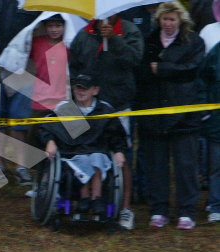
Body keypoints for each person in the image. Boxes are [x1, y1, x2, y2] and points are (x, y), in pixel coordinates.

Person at [69, 12, 143, 229]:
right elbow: (73, 67)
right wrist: (79, 92)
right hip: (88, 106)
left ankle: (126, 209)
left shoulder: (129, 30)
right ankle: (84, 201)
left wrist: (114, 39)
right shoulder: (84, 35)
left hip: (118, 104)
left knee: (122, 155)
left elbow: (135, 59)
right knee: (83, 151)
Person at [136, 1, 205, 230]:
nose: (168, 23)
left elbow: (192, 70)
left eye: (172, 19)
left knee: (186, 166)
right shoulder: (149, 41)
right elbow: (141, 71)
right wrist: (157, 70)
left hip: (184, 116)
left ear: (180, 20)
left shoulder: (193, 41)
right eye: (164, 19)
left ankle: (187, 211)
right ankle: (159, 209)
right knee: (157, 166)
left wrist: (163, 69)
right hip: (153, 116)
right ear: (159, 20)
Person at [0, 12, 82, 185]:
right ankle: (33, 175)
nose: (54, 30)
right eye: (50, 26)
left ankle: (70, 176)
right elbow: (20, 55)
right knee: (35, 139)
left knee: (76, 134)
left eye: (58, 26)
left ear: (65, 27)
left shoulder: (69, 45)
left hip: (63, 99)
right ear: (44, 27)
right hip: (38, 99)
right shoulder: (36, 42)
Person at [39, 73, 129, 221]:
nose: (80, 91)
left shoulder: (105, 110)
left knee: (96, 158)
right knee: (83, 161)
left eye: (85, 88)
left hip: (98, 151)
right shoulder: (65, 108)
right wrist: (50, 141)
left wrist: (119, 151)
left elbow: (116, 134)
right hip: (71, 153)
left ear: (95, 90)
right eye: (78, 88)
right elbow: (46, 127)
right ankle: (85, 197)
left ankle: (96, 198)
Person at [198, 2, 220, 223]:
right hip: (216, 117)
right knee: (215, 164)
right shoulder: (214, 47)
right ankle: (215, 204)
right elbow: (202, 78)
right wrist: (205, 109)